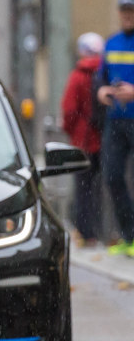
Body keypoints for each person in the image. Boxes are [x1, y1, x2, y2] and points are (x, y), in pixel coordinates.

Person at [96, 0, 134, 255]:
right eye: (124, 11)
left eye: (131, 11)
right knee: (112, 176)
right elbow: (101, 77)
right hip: (116, 121)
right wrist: (102, 91)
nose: (127, 15)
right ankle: (129, 236)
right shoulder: (111, 42)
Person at [61, 32, 105, 246]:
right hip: (106, 140)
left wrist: (72, 131)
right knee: (103, 188)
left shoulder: (78, 76)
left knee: (83, 189)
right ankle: (105, 232)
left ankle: (87, 234)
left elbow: (69, 110)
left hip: (84, 141)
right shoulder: (105, 74)